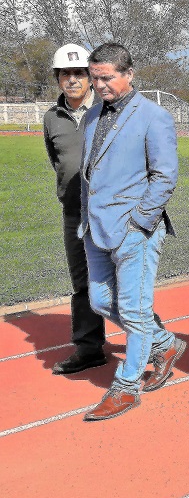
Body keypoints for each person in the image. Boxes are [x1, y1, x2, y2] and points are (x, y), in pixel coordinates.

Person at [79, 42, 186, 421]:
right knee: (99, 301)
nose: (99, 85)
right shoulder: (92, 116)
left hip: (135, 230)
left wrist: (139, 222)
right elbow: (90, 175)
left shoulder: (153, 116)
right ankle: (165, 343)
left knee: (134, 311)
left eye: (107, 78)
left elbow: (165, 175)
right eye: (95, 78)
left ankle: (126, 388)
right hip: (95, 228)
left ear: (129, 74)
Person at [43, 43, 107, 375]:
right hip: (73, 214)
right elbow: (58, 162)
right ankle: (89, 348)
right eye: (65, 74)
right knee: (82, 283)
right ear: (58, 78)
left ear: (90, 76)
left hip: (108, 213)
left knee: (121, 283)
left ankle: (154, 344)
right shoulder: (51, 118)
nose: (72, 79)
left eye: (79, 73)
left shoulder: (108, 109)